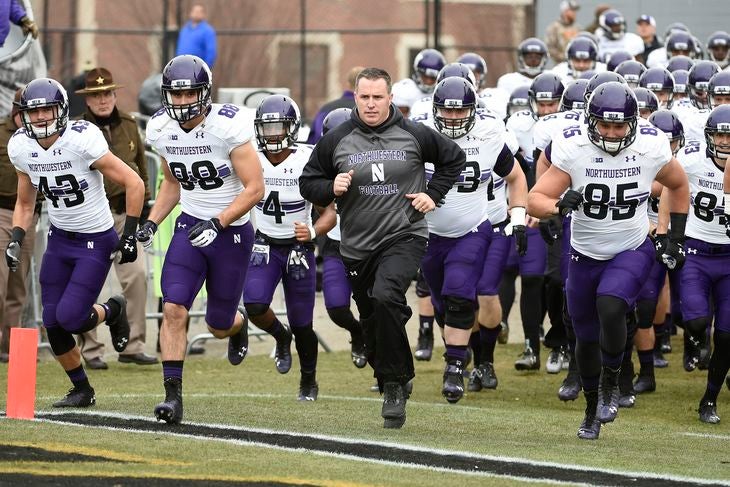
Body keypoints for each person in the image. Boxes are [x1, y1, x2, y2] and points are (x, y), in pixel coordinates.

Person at [299, 67, 465, 428]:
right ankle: (393, 366)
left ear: (390, 98)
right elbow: (308, 183)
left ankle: (393, 386)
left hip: (405, 235)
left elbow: (454, 159)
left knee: (388, 295)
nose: (371, 104)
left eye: (378, 97)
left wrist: (432, 195)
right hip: (358, 246)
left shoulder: (415, 133)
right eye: (364, 97)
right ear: (354, 97)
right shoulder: (336, 139)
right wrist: (331, 189)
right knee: (373, 324)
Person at [528, 81, 689, 440]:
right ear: (591, 121)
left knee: (612, 304)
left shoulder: (650, 147)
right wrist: (557, 206)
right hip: (584, 256)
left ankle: (612, 383)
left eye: (620, 126)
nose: (613, 133)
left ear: (633, 123)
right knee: (584, 338)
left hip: (631, 248)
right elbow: (535, 198)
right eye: (605, 125)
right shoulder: (574, 150)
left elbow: (679, 185)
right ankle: (590, 408)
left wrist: (670, 235)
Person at [136, 54, 264, 424]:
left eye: (188, 93)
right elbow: (172, 184)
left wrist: (220, 222)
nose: (180, 102)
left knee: (217, 324)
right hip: (189, 228)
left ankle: (237, 326)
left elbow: (255, 188)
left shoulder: (229, 125)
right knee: (173, 308)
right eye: (174, 95)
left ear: (204, 93)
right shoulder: (160, 128)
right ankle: (172, 397)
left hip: (231, 232)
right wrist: (152, 221)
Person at [6, 77, 145, 407]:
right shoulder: (21, 147)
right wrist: (16, 237)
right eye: (33, 111)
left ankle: (113, 309)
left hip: (95, 240)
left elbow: (134, 182)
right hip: (59, 240)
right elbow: (26, 204)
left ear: (62, 110)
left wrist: (129, 237)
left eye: (46, 110)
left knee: (70, 317)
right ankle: (82, 389)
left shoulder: (82, 139)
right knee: (53, 322)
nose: (40, 118)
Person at [243, 94, 336, 401]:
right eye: (266, 129)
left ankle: (308, 380)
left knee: (303, 323)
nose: (271, 135)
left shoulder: (306, 160)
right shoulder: (250, 157)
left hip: (299, 248)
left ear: (292, 128)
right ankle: (280, 336)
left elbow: (329, 213)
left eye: (278, 128)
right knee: (255, 305)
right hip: (265, 244)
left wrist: (311, 231)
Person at [74, 67, 157, 368]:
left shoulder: (128, 124)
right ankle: (92, 350)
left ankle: (132, 345)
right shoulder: (78, 131)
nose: (103, 100)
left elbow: (140, 168)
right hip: (93, 217)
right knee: (87, 283)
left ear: (114, 94)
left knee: (136, 277)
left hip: (124, 214)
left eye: (107, 93)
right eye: (96, 95)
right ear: (87, 100)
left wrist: (144, 204)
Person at [675, 105, 730, 424]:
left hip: (728, 257)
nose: (724, 141)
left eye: (729, 135)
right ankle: (696, 342)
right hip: (696, 250)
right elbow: (671, 187)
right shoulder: (692, 159)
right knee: (695, 321)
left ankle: (709, 398)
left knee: (726, 335)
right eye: (719, 134)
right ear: (709, 136)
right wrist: (670, 231)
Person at [0, 88, 41, 363]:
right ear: (17, 111)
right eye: (30, 112)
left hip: (31, 215)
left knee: (18, 285)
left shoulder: (42, 135)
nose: (37, 117)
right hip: (2, 211)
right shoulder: (1, 133)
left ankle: (9, 346)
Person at [306, 66, 362, 145]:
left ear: (348, 84)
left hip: (324, 154)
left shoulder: (326, 108)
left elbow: (313, 139)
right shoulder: (368, 111)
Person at [175, 4, 216, 68]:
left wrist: (205, 67)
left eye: (199, 12)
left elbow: (211, 51)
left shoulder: (207, 30)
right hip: (182, 66)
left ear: (203, 15)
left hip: (197, 68)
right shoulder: (185, 29)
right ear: (190, 13)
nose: (196, 14)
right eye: (194, 11)